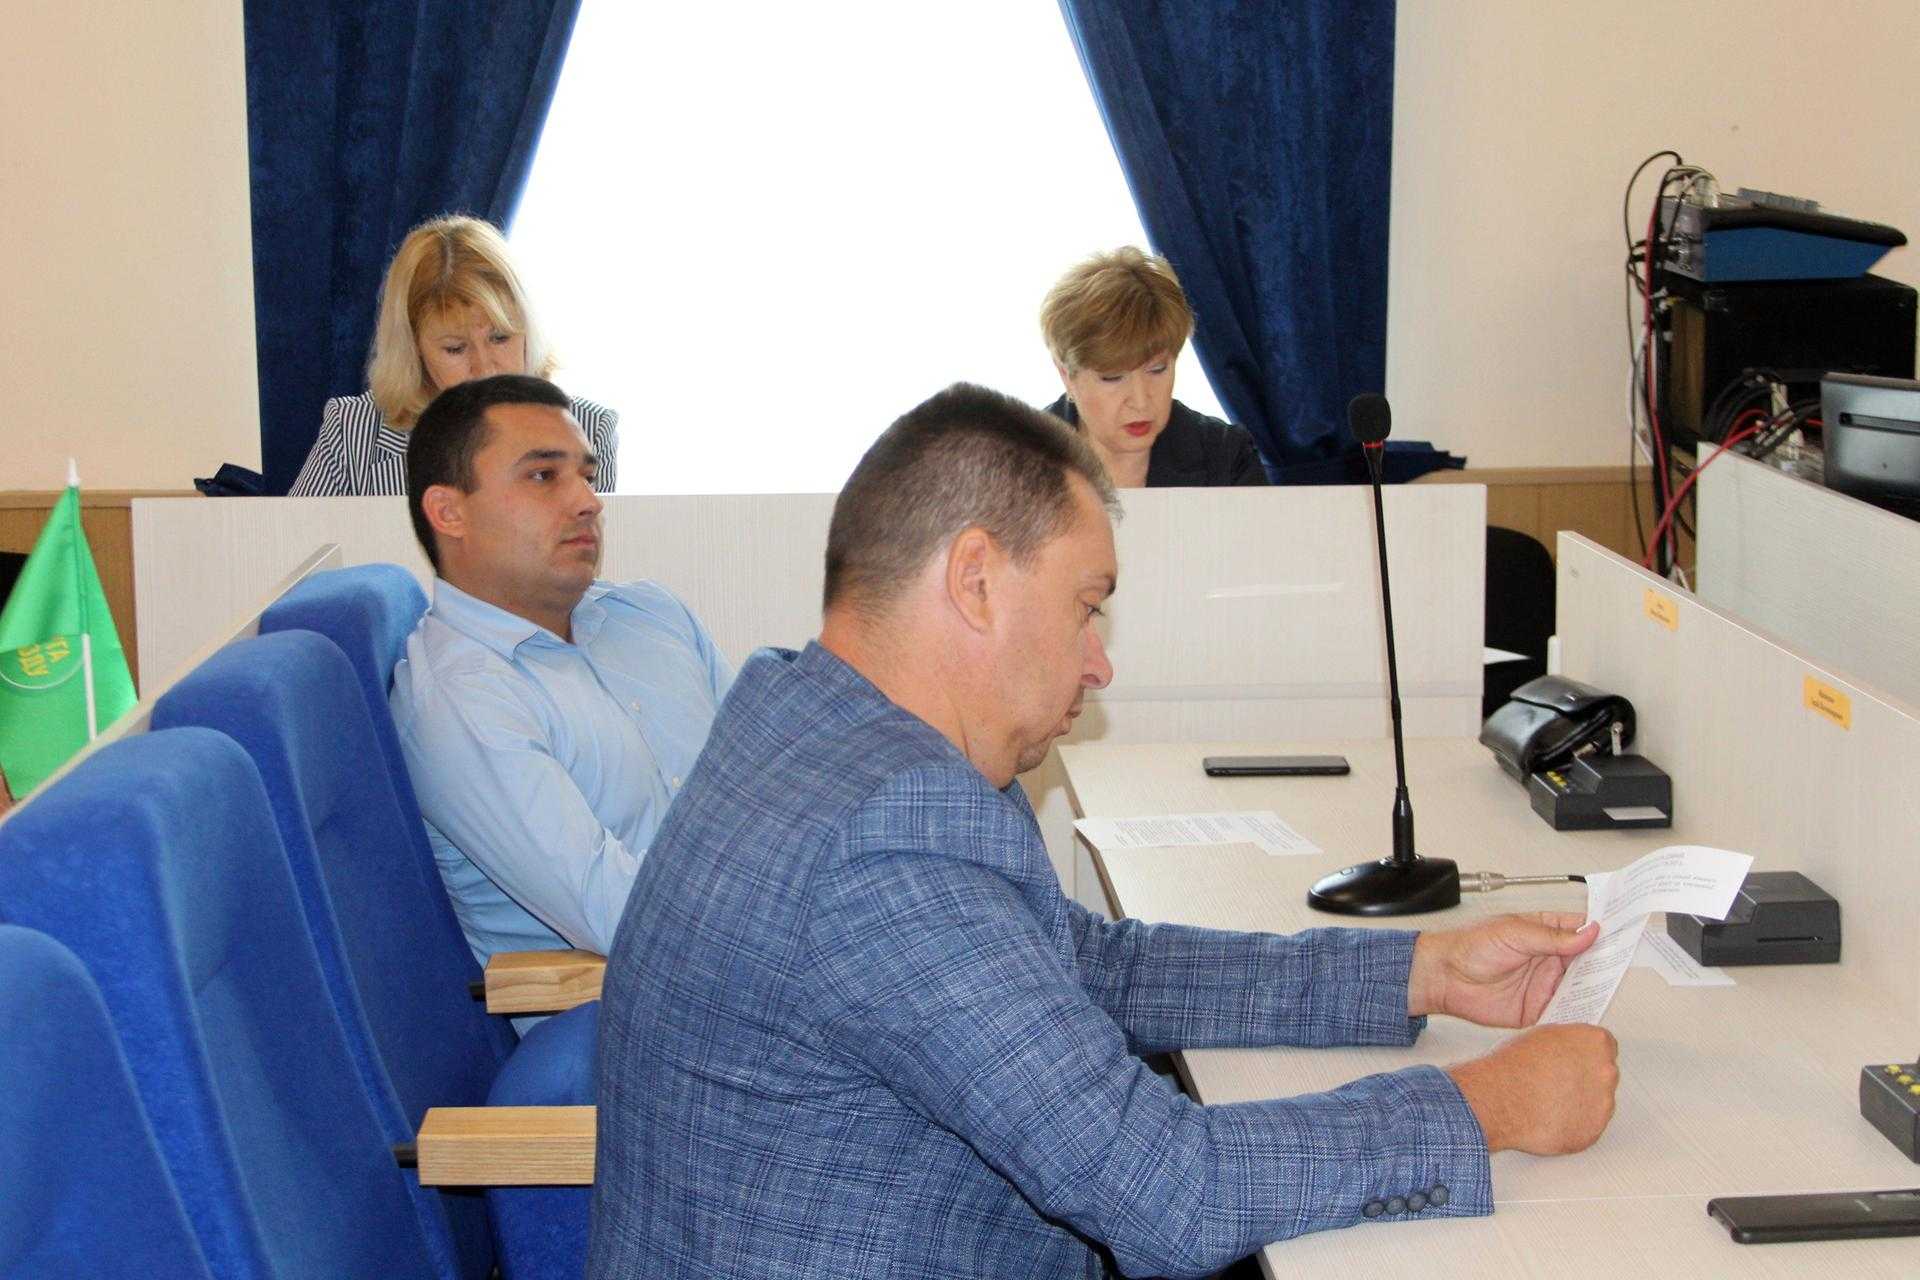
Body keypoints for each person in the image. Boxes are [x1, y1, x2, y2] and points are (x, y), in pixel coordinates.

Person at [589, 383, 1619, 1279]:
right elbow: (1168, 1192)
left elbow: (1084, 963)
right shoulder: (884, 837)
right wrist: (1489, 1105)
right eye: (1087, 607)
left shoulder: (809, 720)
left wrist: (1420, 972)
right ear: (975, 580)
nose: (1100, 661)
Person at [390, 374, 729, 988]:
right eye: (544, 476)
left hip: (763, 950)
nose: (588, 501)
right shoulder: (461, 699)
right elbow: (625, 918)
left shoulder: (652, 615)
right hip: (643, 1005)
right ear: (449, 512)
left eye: (587, 475)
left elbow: (774, 788)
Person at [290, 215, 619, 496]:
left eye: (500, 338)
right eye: (455, 349)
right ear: (414, 351)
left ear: (528, 332)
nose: (484, 368)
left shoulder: (590, 430)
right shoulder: (350, 431)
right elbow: (294, 548)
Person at [1040, 246, 1268, 489]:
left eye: (1157, 369)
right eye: (1113, 377)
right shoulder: (1016, 459)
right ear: (1066, 375)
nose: (1140, 402)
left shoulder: (1226, 457)